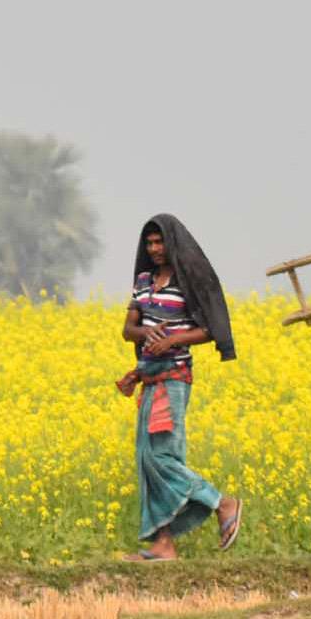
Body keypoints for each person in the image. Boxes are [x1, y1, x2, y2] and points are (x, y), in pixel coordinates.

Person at [119, 214, 244, 560]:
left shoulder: (187, 281)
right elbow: (128, 329)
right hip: (149, 375)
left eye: (160, 242)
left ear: (173, 243)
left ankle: (222, 503)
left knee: (163, 456)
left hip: (173, 379)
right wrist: (145, 335)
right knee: (147, 460)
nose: (155, 249)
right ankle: (163, 544)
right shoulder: (144, 281)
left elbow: (209, 329)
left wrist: (173, 340)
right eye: (150, 243)